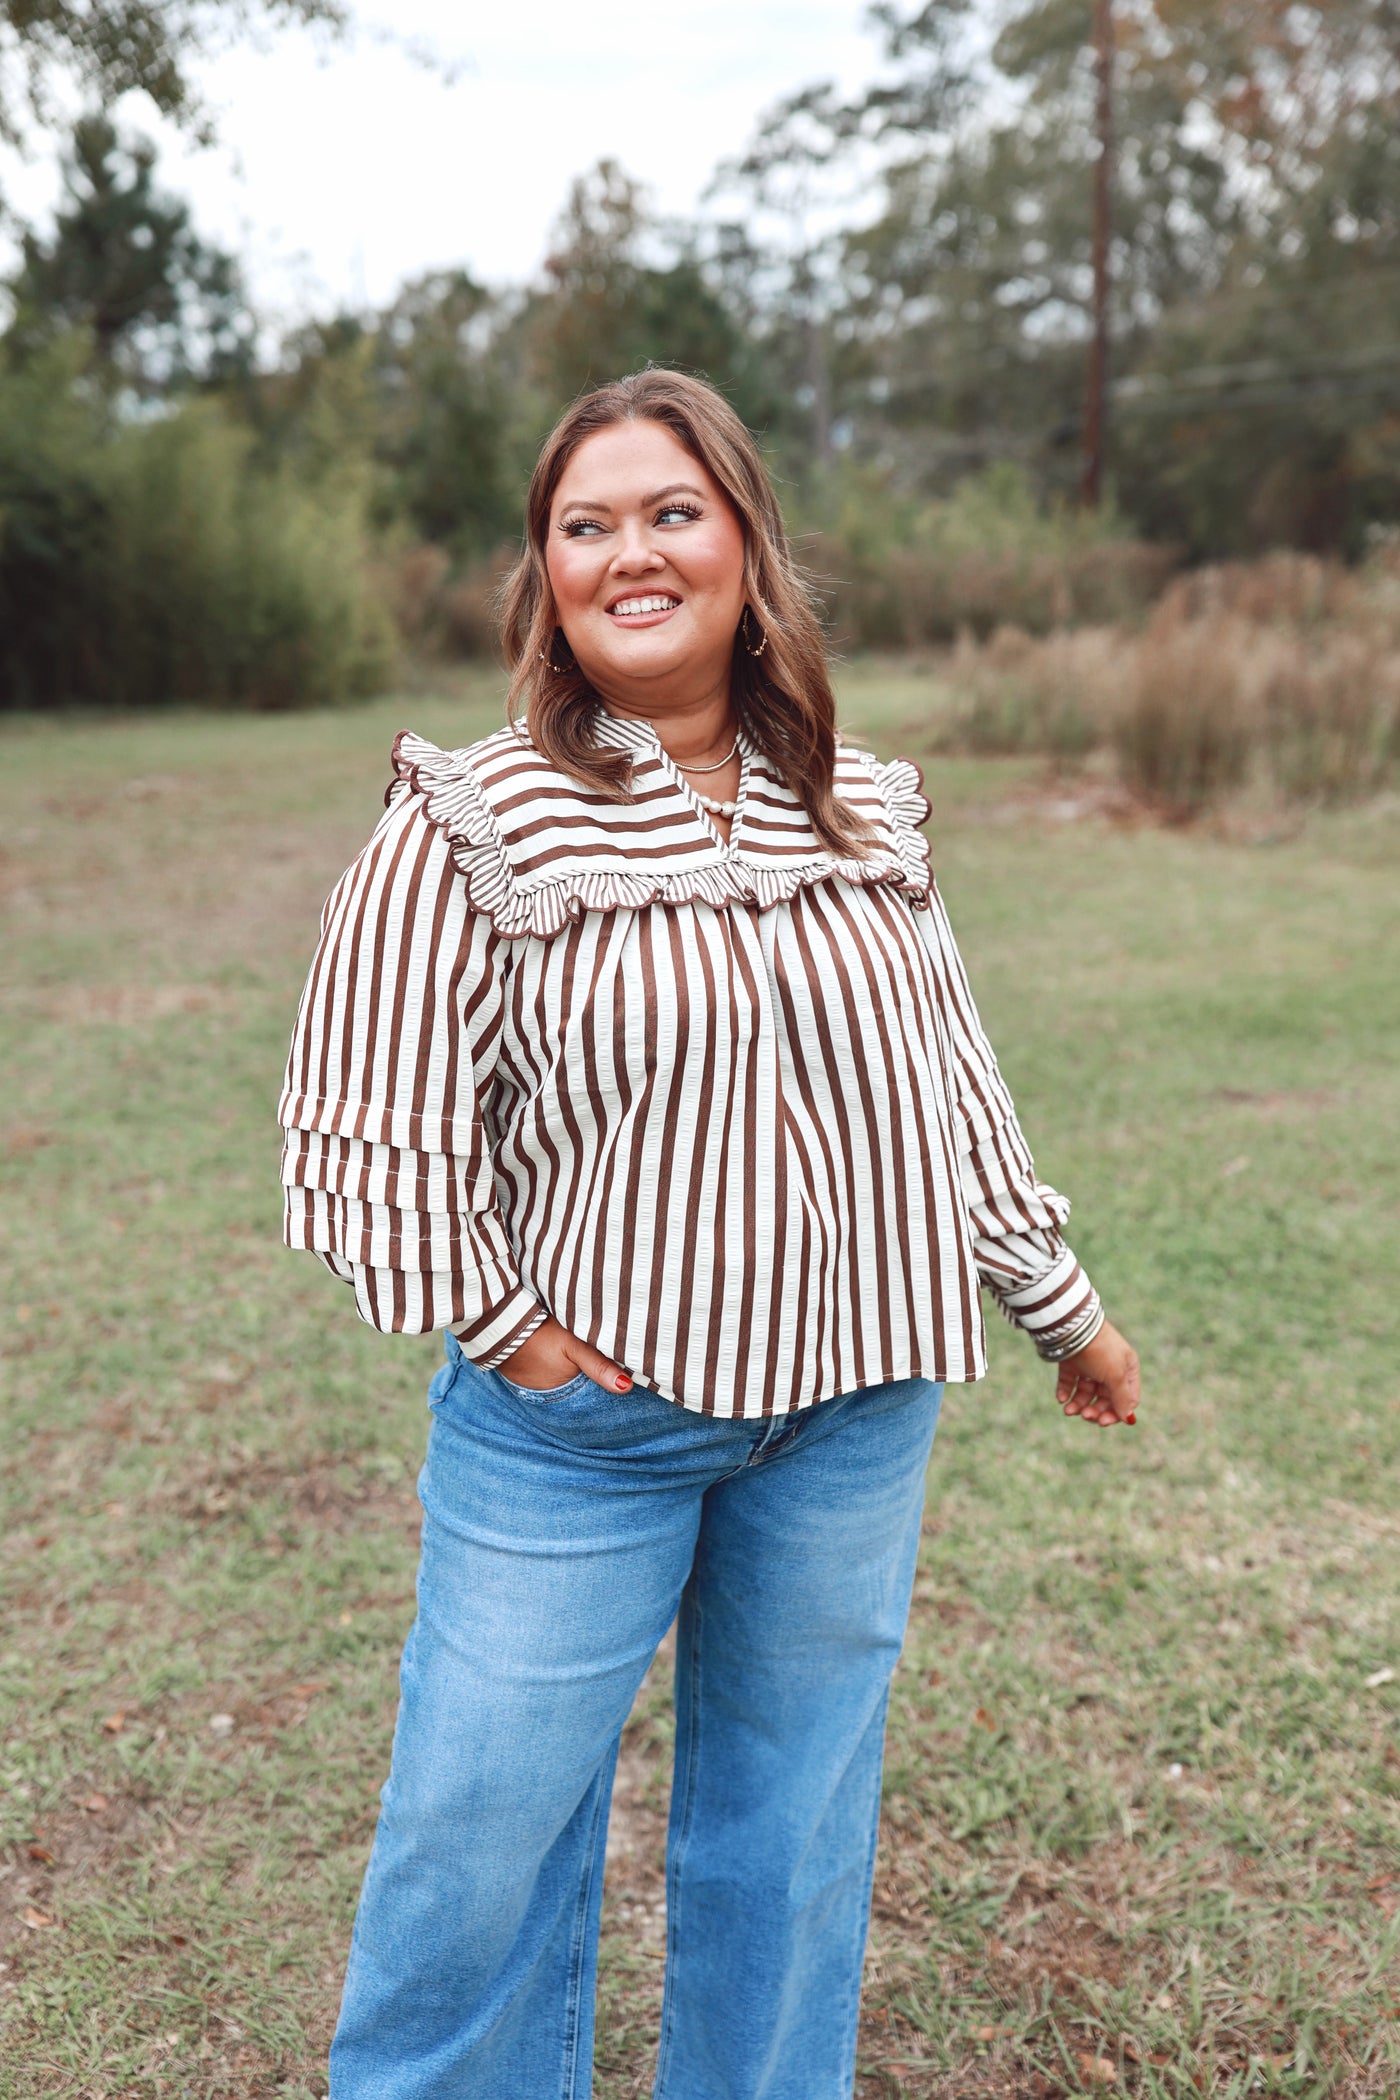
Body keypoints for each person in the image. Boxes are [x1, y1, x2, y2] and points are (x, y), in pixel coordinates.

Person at [277, 368, 1140, 2100]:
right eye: (584, 526)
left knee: (790, 1842)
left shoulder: (866, 810)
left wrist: (1063, 1310)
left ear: (746, 544)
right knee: (480, 1844)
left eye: (671, 511)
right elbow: (363, 1121)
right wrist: (513, 1332)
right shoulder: (469, 816)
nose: (631, 553)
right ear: (547, 577)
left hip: (852, 1409)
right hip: (580, 1433)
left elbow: (947, 1087)